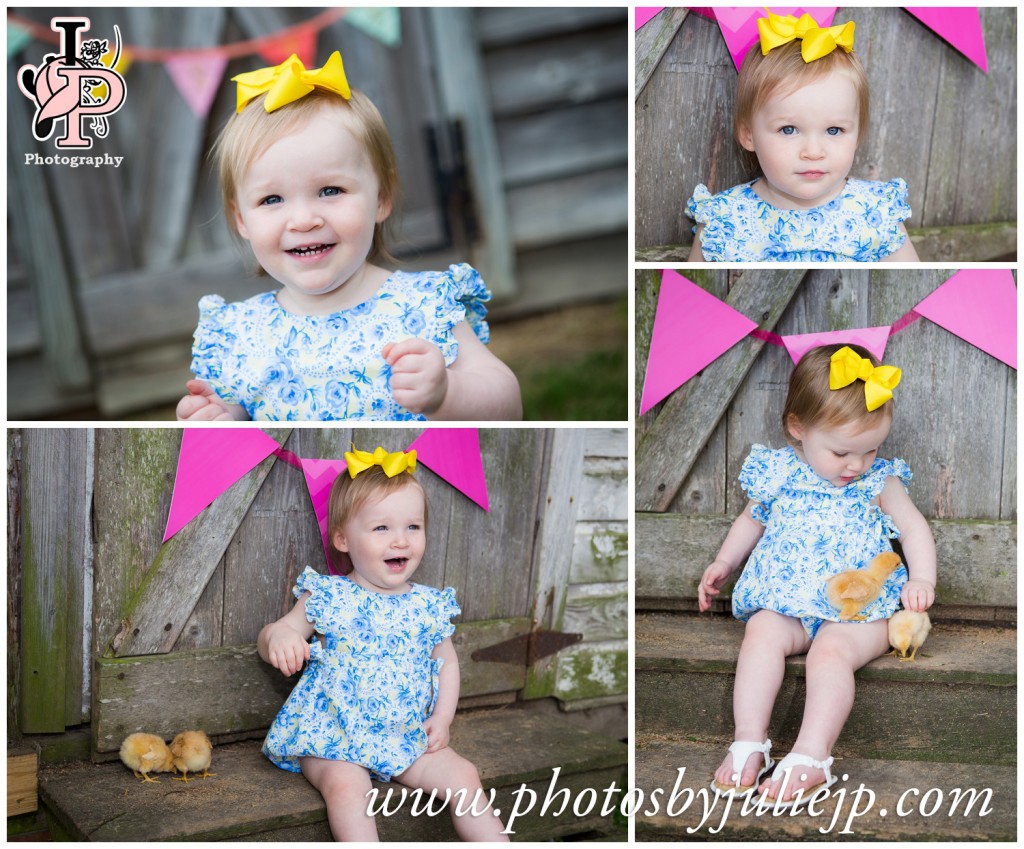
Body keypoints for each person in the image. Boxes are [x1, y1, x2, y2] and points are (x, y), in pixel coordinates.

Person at [176, 52, 521, 421]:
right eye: (272, 199)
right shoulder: (239, 336)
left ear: (381, 198)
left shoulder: (422, 307)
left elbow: (508, 407)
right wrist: (217, 423)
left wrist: (447, 393)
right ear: (241, 218)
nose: (304, 220)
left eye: (330, 191)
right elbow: (235, 437)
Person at [697, 344, 935, 806]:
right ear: (798, 429)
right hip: (788, 600)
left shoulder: (879, 481)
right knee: (762, 634)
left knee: (830, 654)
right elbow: (752, 520)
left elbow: (913, 527)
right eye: (843, 451)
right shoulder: (777, 472)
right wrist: (724, 562)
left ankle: (811, 755)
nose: (857, 464)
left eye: (871, 450)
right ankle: (750, 740)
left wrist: (922, 578)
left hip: (857, 613)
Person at [258, 446, 509, 841]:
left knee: (464, 775)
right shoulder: (329, 595)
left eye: (413, 527)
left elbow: (448, 664)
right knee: (348, 789)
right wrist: (281, 637)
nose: (400, 541)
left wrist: (441, 719)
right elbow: (277, 630)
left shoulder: (428, 604)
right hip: (333, 736)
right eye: (382, 528)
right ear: (342, 538)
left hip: (403, 735)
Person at [686, 11, 920, 262]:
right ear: (748, 135)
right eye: (788, 129)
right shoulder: (724, 219)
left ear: (858, 134)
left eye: (834, 130)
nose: (813, 151)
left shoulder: (877, 212)